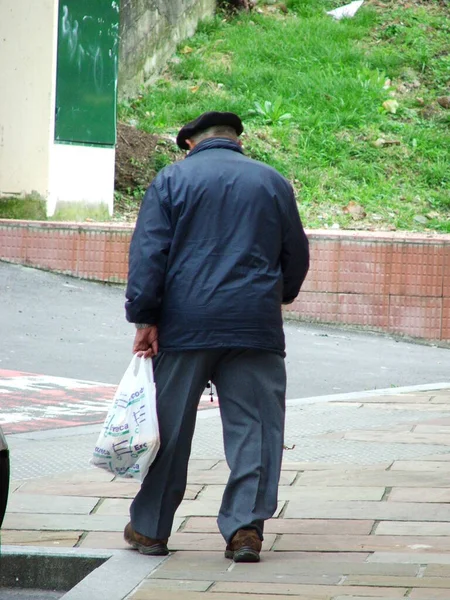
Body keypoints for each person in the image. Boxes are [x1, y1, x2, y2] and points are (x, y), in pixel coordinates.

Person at [124, 111, 309, 562]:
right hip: (254, 325)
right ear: (236, 141)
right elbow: (296, 254)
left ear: (190, 143)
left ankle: (150, 530)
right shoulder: (272, 182)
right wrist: (273, 297)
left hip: (185, 326)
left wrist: (145, 318)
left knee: (168, 430)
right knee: (257, 430)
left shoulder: (172, 180)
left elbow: (149, 253)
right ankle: (245, 529)